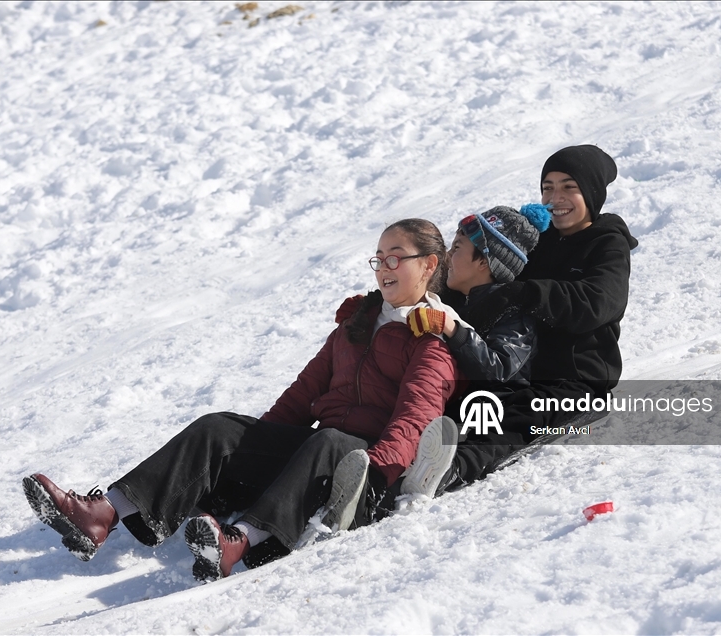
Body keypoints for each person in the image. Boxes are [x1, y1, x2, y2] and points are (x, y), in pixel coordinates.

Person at [23, 219, 461, 582]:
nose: (383, 267)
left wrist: (375, 478)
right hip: (316, 449)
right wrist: (249, 453)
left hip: (360, 464)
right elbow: (300, 397)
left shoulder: (432, 339)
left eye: (395, 257)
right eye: (378, 258)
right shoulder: (355, 323)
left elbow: (413, 420)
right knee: (220, 428)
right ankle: (104, 513)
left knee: (328, 440)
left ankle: (240, 542)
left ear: (428, 266)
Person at [406, 144, 639, 495]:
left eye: (568, 187)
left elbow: (598, 302)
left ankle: (452, 469)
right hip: (519, 369)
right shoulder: (540, 240)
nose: (554, 197)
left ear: (591, 193)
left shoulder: (607, 244)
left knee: (516, 418)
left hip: (575, 382)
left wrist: (522, 293)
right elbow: (476, 276)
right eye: (548, 187)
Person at [324, 203, 553, 520]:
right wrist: (366, 311)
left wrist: (451, 328)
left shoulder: (514, 308)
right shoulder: (455, 298)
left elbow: (498, 368)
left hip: (499, 403)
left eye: (457, 248)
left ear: (484, 262)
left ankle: (440, 475)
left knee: (489, 437)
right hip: (456, 403)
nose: (448, 257)